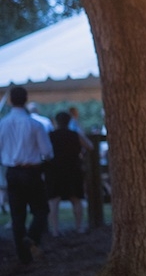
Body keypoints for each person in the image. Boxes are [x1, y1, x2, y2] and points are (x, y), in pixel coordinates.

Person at [0, 86, 54, 264]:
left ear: (9, 101)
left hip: (12, 171)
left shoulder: (3, 124)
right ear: (26, 99)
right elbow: (47, 151)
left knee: (17, 215)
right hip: (31, 171)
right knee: (41, 209)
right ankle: (32, 236)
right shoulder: (35, 124)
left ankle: (23, 256)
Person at [46, 111, 93, 236]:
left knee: (54, 200)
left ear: (56, 122)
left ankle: (55, 230)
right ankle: (79, 227)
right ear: (69, 121)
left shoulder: (50, 135)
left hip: (54, 170)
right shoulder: (75, 135)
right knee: (76, 198)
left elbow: (44, 151)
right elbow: (90, 146)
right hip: (73, 169)